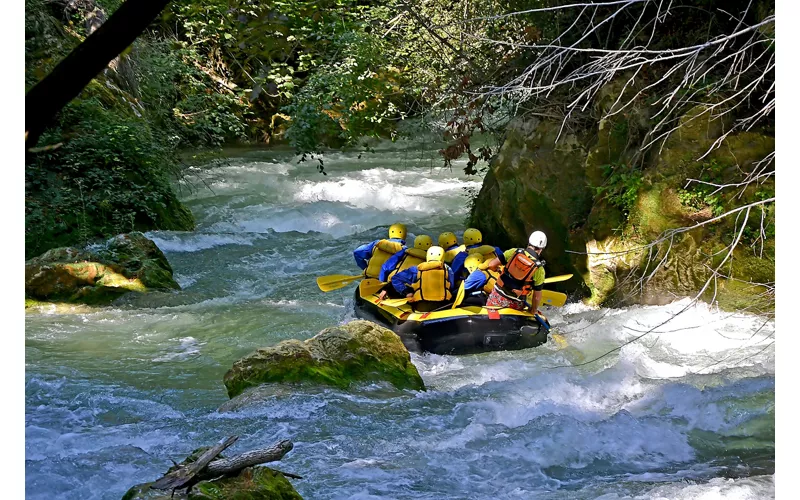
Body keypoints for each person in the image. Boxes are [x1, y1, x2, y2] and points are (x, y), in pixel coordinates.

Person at [484, 230, 547, 312]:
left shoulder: (514, 252)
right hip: (515, 303)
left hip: (497, 296)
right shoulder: (539, 269)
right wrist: (533, 310)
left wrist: (497, 270)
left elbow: (491, 265)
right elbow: (536, 297)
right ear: (541, 249)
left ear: (529, 242)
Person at [389, 246, 455, 310]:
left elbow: (395, 278)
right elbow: (451, 287)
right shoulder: (448, 270)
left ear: (427, 256)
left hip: (421, 306)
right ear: (443, 257)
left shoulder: (417, 269)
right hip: (443, 305)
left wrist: (407, 292)